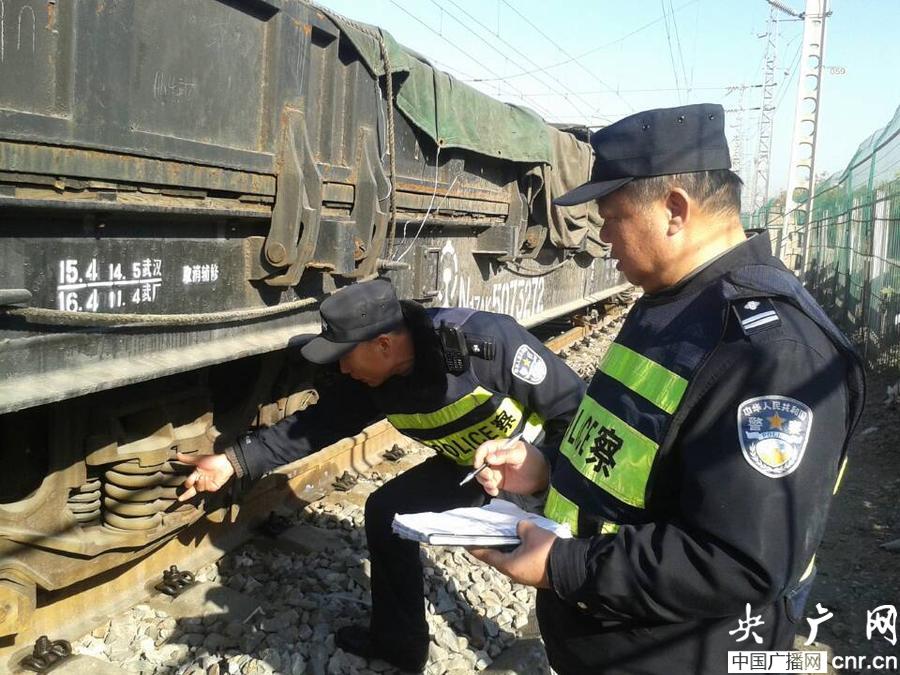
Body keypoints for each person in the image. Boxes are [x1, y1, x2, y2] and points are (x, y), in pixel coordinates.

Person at [468, 103, 866, 674]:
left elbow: (738, 561)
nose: (603, 237)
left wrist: (562, 565)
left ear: (674, 210)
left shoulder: (771, 353)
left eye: (611, 217)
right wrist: (547, 469)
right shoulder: (672, 302)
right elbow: (643, 453)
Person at [176, 278, 586, 672]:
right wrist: (233, 462)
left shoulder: (486, 343)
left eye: (345, 355)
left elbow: (576, 411)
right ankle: (400, 646)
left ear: (384, 344)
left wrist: (543, 470)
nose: (342, 368)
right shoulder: (374, 379)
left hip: (548, 472)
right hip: (471, 471)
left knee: (566, 576)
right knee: (387, 512)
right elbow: (318, 424)